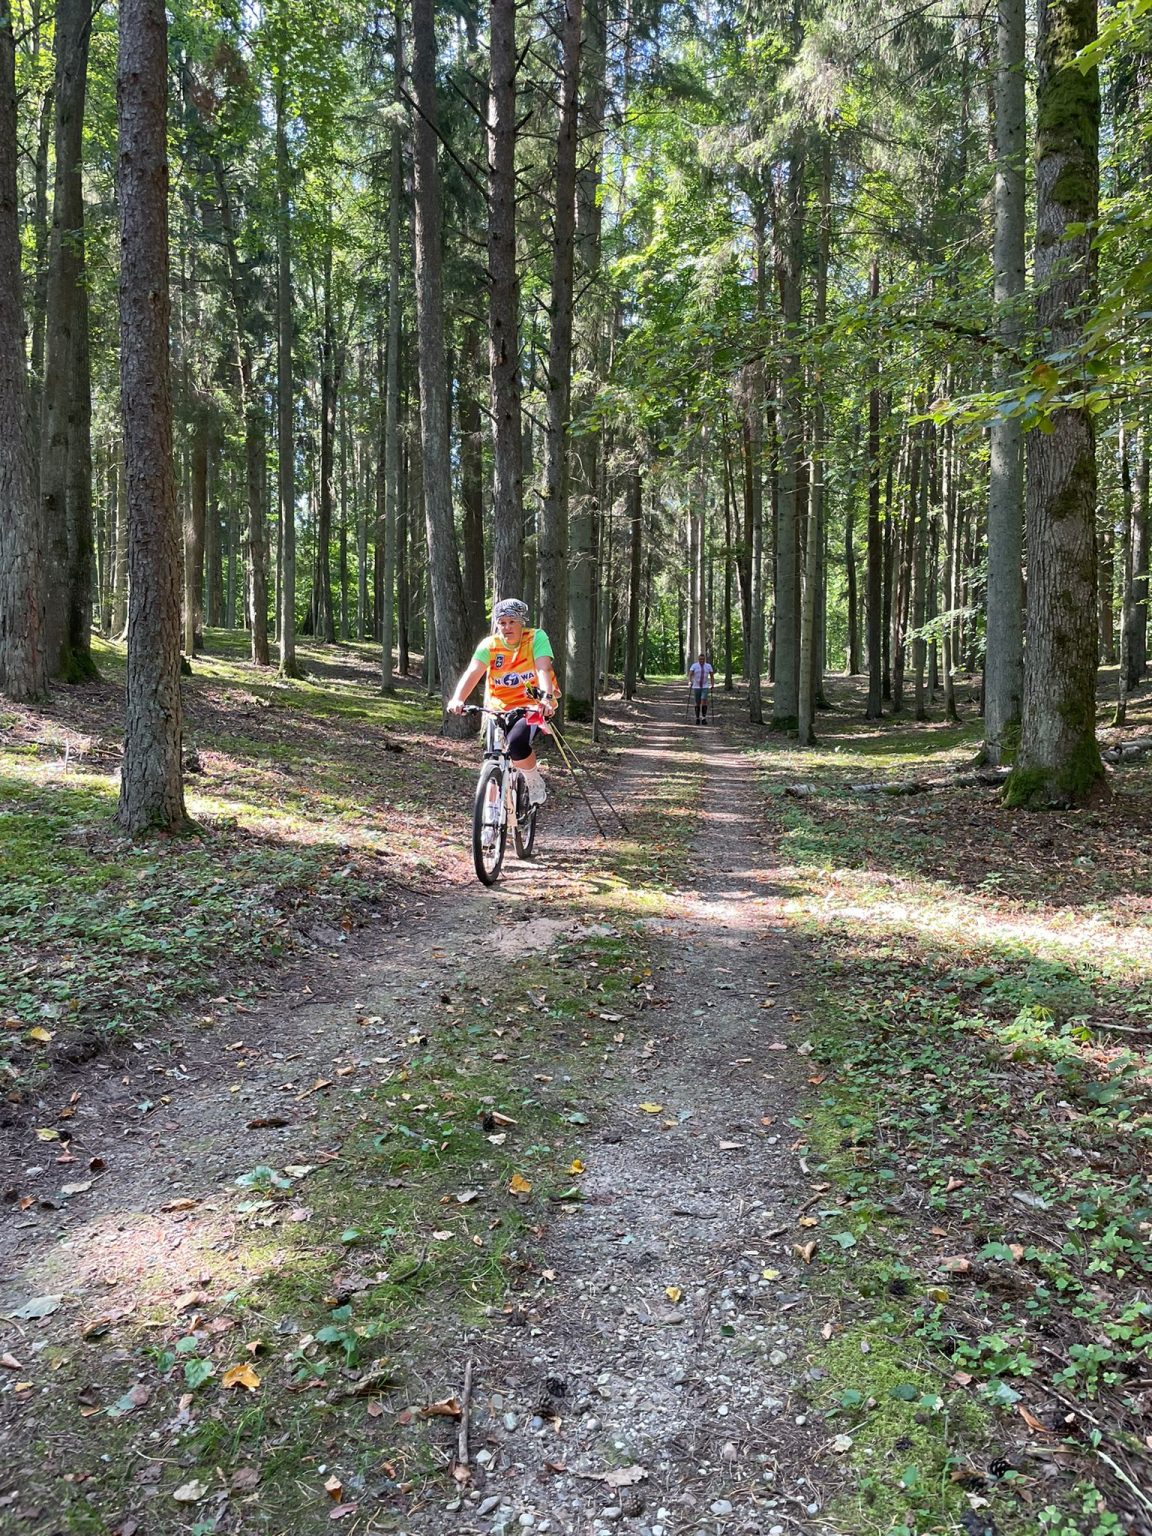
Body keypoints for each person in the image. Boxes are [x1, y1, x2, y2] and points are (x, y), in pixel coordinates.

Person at [447, 598, 559, 805]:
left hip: (531, 705)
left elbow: (543, 669)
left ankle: (533, 780)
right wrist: (458, 698)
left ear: (522, 622)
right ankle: (491, 812)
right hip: (498, 707)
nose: (507, 627)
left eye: (512, 622)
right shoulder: (490, 645)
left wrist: (547, 698)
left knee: (516, 744)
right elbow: (473, 672)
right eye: (502, 623)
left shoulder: (535, 638)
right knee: (493, 758)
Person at [687, 651, 714, 724]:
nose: (701, 660)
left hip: (705, 686)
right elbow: (690, 674)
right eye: (700, 659)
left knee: (703, 701)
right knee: (697, 703)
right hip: (696, 686)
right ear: (698, 659)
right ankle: (697, 718)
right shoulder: (694, 666)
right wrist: (689, 681)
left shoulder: (708, 666)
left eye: (703, 659)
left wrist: (712, 684)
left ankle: (704, 718)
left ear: (705, 659)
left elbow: (712, 676)